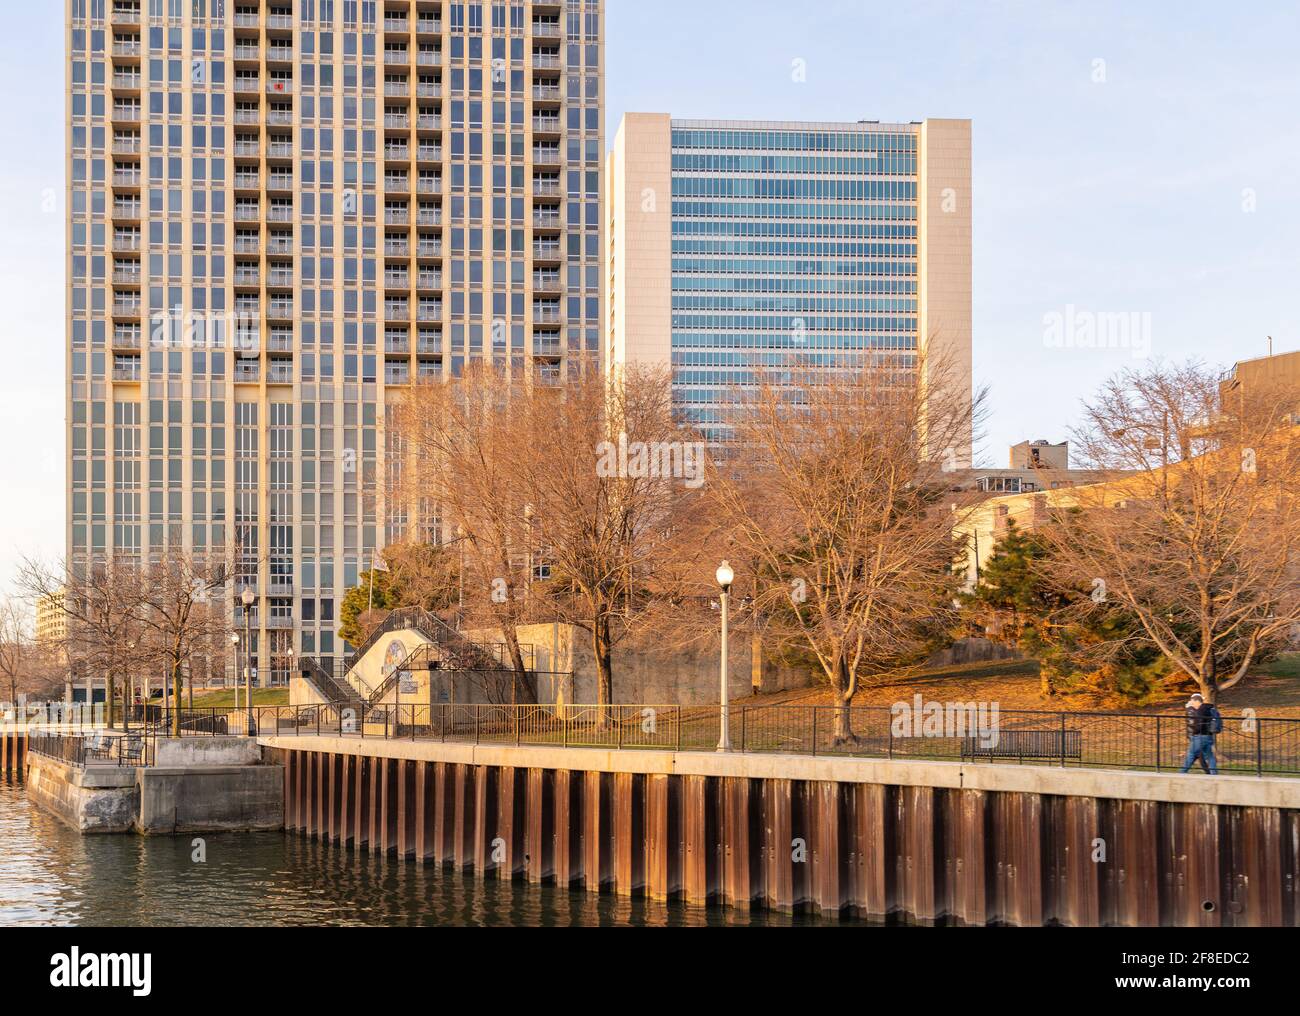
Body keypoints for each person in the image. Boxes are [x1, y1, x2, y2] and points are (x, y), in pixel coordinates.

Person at [1179, 693, 1220, 775]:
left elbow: (1198, 724)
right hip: (1209, 736)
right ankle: (1214, 774)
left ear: (1198, 701)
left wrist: (1194, 733)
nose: (1192, 704)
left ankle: (1182, 773)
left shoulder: (1200, 710)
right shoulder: (1209, 709)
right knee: (1210, 756)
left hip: (1199, 737)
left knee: (1191, 755)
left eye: (1193, 702)